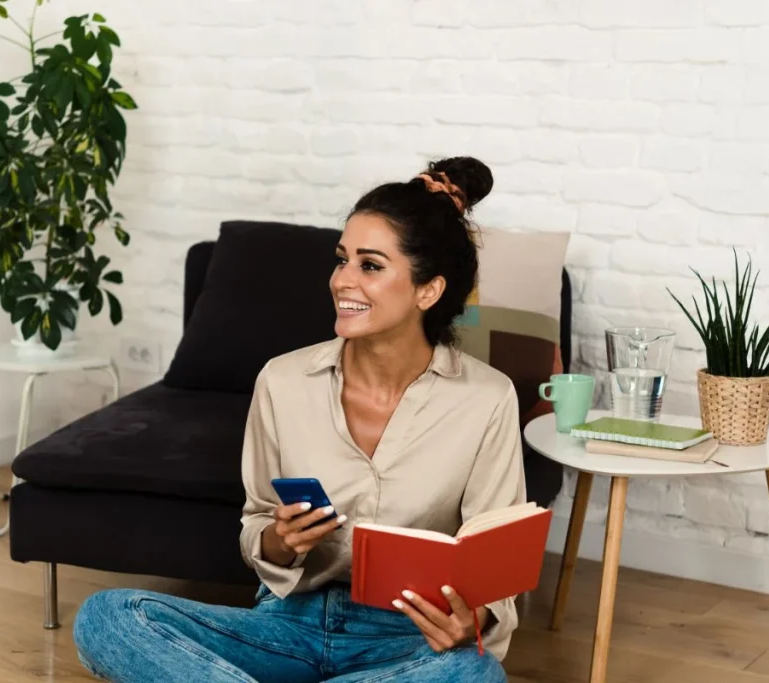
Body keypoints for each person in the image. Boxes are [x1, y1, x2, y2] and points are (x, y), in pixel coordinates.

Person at [73, 156, 526, 683]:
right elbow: (258, 524)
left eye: (371, 265)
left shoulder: (486, 399)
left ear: (428, 290)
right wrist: (280, 542)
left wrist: (473, 618)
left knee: (474, 674)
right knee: (109, 618)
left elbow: (493, 569)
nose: (342, 281)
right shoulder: (283, 382)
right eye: (342, 260)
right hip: (288, 625)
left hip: (407, 639)